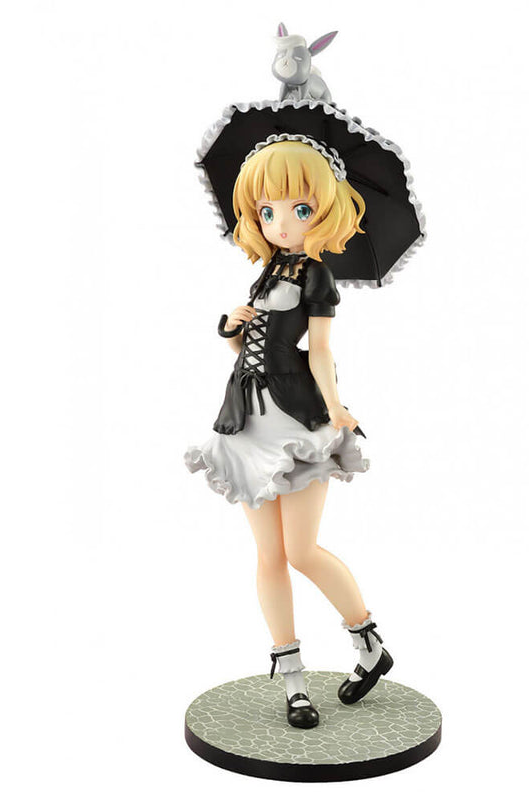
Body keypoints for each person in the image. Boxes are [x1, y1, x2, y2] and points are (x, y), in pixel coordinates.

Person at [185, 139, 393, 729]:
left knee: (301, 551)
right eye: (267, 210)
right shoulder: (268, 270)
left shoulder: (317, 274)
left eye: (300, 209)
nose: (281, 222)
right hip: (245, 416)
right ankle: (294, 678)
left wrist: (336, 407)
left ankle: (369, 642)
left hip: (295, 418)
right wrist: (232, 327)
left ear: (325, 210)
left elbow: (319, 349)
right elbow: (247, 351)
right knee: (269, 556)